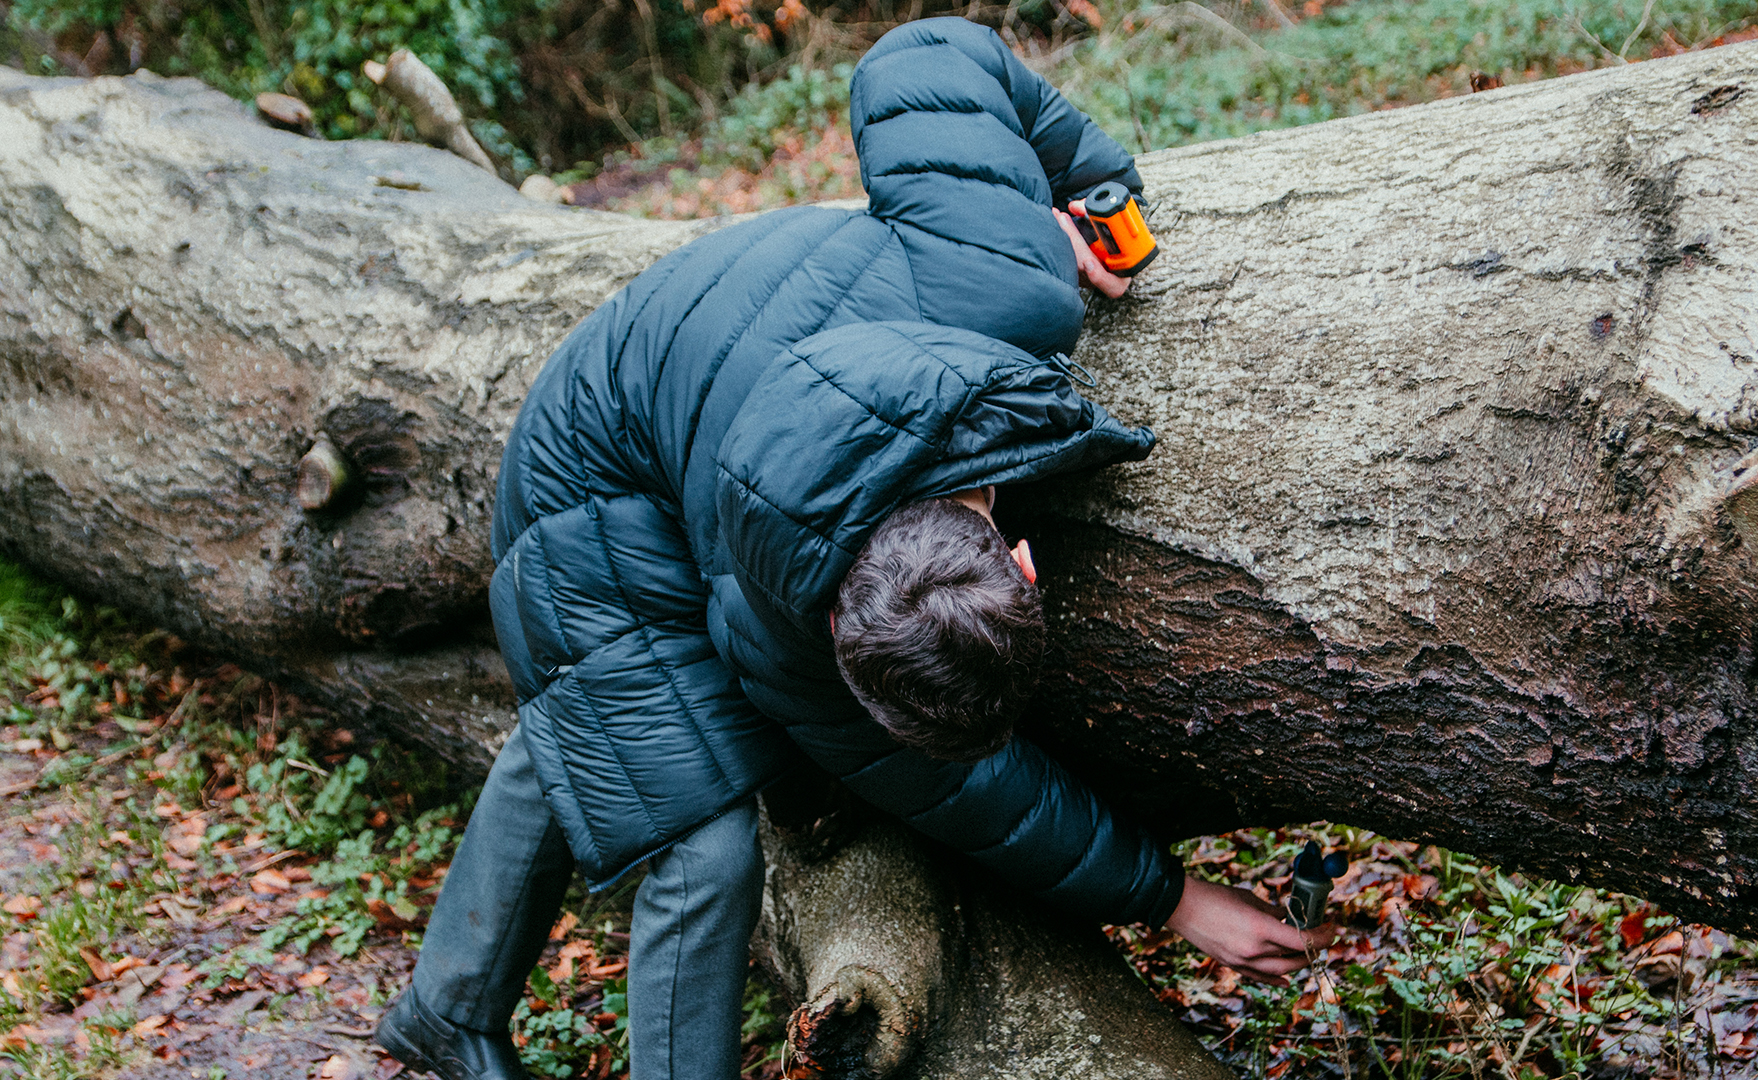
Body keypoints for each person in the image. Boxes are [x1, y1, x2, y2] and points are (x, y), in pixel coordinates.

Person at [376, 18, 1332, 1080]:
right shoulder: (776, 635)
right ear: (840, 629)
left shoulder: (1003, 276)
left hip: (690, 399)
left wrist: (1092, 192)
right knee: (704, 842)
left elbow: (923, 54)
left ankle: (443, 1006)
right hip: (591, 478)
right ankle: (456, 1013)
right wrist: (1173, 897)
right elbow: (968, 794)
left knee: (600, 707)